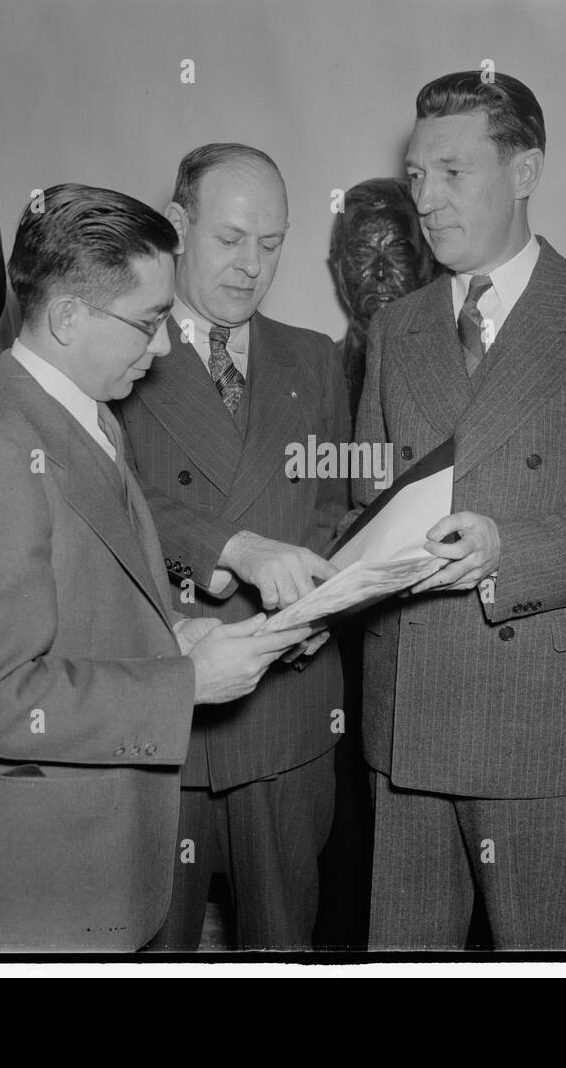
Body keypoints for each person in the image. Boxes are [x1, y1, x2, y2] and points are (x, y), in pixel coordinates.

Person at [0, 183, 310, 952]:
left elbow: (93, 595)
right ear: (67, 318)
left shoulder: (84, 412)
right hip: (40, 885)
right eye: (150, 321)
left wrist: (178, 632)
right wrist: (188, 683)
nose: (163, 347)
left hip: (96, 848)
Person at [352, 72, 566, 949]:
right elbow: (367, 497)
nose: (425, 199)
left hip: (538, 700)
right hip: (410, 703)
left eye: (454, 173)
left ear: (527, 169)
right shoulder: (396, 326)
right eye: (418, 175)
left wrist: (509, 550)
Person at [119, 143, 350, 950]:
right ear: (178, 227)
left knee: (285, 939)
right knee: (155, 943)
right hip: (167, 709)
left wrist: (325, 601)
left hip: (287, 710)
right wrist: (233, 548)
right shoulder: (124, 351)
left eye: (272, 242)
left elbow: (334, 508)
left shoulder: (316, 358)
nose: (252, 266)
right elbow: (115, 510)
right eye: (230, 239)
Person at [328, 176, 441, 420]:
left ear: (428, 262)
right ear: (336, 266)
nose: (380, 271)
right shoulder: (310, 377)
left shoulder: (457, 374)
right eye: (361, 254)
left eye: (398, 252)